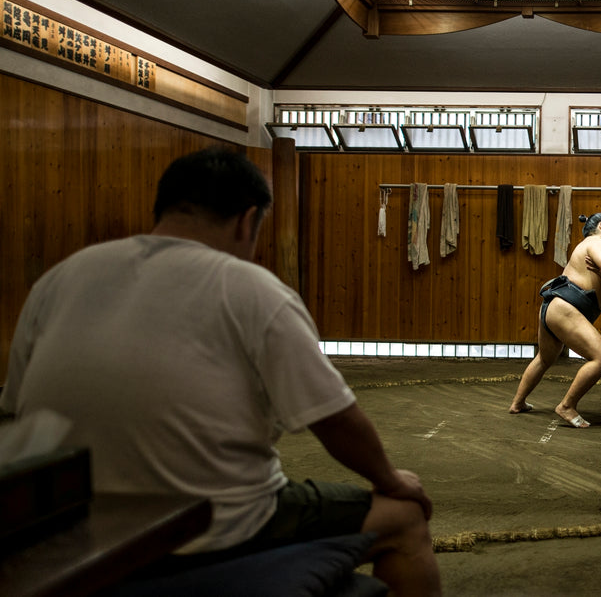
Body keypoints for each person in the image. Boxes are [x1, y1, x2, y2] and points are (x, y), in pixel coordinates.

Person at [0, 148, 442, 597]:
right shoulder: (250, 287)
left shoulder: (59, 279)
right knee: (406, 518)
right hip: (215, 524)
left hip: (65, 527)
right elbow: (334, 420)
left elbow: (16, 407)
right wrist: (390, 479)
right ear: (247, 220)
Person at [508, 213, 601, 428]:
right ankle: (567, 406)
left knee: (544, 359)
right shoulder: (597, 241)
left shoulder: (595, 250)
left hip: (555, 307)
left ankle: (517, 403)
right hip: (565, 307)